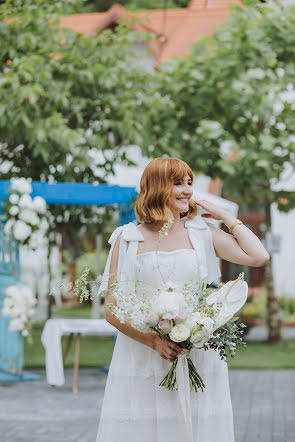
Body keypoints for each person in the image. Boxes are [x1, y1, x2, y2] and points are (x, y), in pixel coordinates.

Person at [96, 157, 269, 442]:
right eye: (178, 183)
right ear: (156, 187)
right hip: (143, 354)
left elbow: (258, 256)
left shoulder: (202, 233)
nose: (188, 190)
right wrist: (153, 340)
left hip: (197, 354)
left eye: (190, 183)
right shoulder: (127, 239)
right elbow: (112, 308)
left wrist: (224, 216)